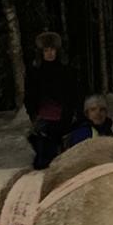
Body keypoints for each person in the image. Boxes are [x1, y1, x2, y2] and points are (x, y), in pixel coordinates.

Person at [24, 31, 81, 169]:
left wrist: (73, 113)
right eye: (46, 50)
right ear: (41, 52)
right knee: (43, 163)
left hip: (65, 119)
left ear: (58, 51)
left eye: (52, 50)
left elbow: (76, 93)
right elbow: (30, 96)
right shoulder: (34, 72)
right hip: (43, 121)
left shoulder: (67, 71)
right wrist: (33, 114)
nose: (50, 53)